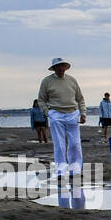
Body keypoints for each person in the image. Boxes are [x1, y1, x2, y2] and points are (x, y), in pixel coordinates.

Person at [37, 56, 87, 198]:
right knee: (59, 144)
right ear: (54, 68)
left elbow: (80, 98)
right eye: (58, 66)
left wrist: (83, 113)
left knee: (75, 144)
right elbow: (41, 99)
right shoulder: (47, 81)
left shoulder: (72, 80)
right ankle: (60, 171)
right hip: (56, 114)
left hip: (72, 113)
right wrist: (48, 113)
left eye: (62, 66)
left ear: (65, 67)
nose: (60, 68)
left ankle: (75, 171)